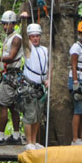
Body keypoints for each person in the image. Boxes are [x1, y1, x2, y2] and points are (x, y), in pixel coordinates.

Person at [0, 11, 23, 145]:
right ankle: (15, 136)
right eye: (3, 24)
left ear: (13, 24)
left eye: (7, 24)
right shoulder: (9, 38)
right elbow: (7, 59)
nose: (5, 27)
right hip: (10, 74)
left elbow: (11, 58)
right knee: (13, 107)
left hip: (10, 76)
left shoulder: (16, 38)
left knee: (3, 106)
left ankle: (1, 136)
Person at [19, 20, 50, 150]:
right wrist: (23, 21)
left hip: (40, 87)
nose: (35, 38)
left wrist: (49, 79)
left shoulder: (44, 50)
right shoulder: (28, 49)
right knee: (30, 115)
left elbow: (50, 66)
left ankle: (35, 141)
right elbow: (24, 39)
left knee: (38, 116)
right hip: (29, 87)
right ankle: (29, 142)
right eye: (33, 36)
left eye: (37, 36)